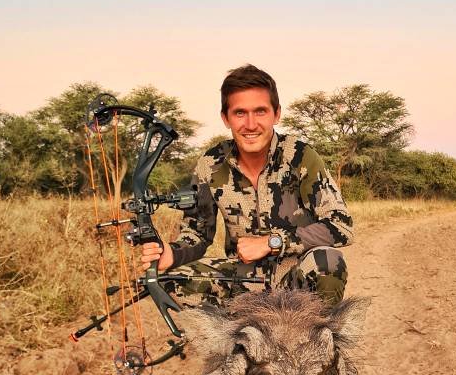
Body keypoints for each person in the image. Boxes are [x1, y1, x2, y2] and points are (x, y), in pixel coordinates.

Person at [139, 64, 353, 306]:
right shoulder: (210, 164)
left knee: (328, 262)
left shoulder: (300, 156)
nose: (251, 124)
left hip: (296, 276)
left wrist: (273, 242)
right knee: (172, 278)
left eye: (260, 111)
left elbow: (340, 225)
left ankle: (319, 339)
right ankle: (225, 340)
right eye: (240, 113)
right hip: (241, 279)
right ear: (225, 118)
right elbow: (198, 233)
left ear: (277, 114)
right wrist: (172, 253)